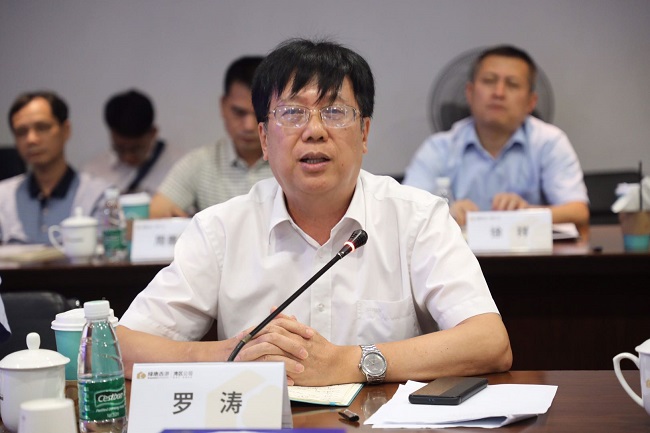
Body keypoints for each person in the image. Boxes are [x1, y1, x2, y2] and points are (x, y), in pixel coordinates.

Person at [116, 38, 512, 386]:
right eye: (292, 113)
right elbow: (120, 347)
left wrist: (346, 362)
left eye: (335, 112)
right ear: (264, 139)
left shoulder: (418, 218)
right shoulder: (221, 229)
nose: (315, 130)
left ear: (364, 133)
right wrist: (228, 354)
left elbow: (489, 342)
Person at [403, 45, 590, 239]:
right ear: (469, 92)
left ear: (531, 102)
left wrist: (525, 212)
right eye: (489, 81)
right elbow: (406, 210)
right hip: (457, 255)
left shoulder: (549, 142)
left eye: (512, 84)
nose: (499, 93)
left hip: (529, 256)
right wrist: (447, 213)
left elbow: (578, 212)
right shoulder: (439, 147)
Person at [149, 56, 273, 217]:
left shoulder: (292, 161)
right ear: (223, 106)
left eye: (258, 114)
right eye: (238, 112)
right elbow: (155, 215)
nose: (249, 126)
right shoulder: (200, 162)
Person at [0, 91, 110, 245]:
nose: (31, 139)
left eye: (42, 127)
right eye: (21, 132)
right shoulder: (3, 197)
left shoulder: (99, 197)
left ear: (66, 130)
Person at [83, 89, 186, 195]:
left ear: (153, 133)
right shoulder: (92, 173)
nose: (128, 157)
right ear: (111, 135)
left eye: (136, 149)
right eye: (120, 149)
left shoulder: (181, 168)